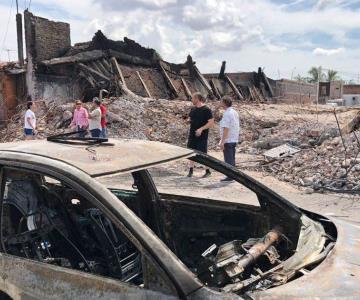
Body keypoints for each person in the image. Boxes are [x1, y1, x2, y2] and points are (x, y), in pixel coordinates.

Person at [187, 92, 214, 178]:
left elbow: (211, 123)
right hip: (192, 134)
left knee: (203, 153)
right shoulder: (193, 109)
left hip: (202, 136)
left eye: (193, 98)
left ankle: (208, 171)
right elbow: (190, 118)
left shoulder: (206, 109)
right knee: (191, 152)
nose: (192, 100)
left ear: (197, 99)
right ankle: (190, 170)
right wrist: (188, 120)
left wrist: (201, 129)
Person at [219, 96, 240, 182]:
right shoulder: (234, 112)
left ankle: (230, 176)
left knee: (228, 159)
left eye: (221, 102)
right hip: (234, 138)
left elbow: (226, 129)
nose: (220, 103)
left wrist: (222, 142)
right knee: (232, 157)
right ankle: (233, 175)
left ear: (224, 103)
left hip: (229, 139)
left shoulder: (227, 114)